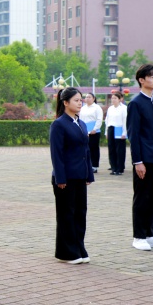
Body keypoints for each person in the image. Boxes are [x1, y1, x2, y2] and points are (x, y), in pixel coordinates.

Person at [126, 64, 153, 251]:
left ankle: (150, 235)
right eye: (151, 77)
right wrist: (138, 161)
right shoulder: (136, 104)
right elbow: (133, 135)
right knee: (142, 197)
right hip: (144, 158)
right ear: (141, 80)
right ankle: (139, 236)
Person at [49, 87, 94, 265]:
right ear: (65, 102)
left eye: (81, 100)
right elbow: (57, 154)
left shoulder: (81, 123)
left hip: (80, 176)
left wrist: (89, 174)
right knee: (66, 215)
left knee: (80, 214)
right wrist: (60, 178)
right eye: (76, 100)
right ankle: (67, 252)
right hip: (65, 178)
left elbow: (86, 151)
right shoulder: (59, 124)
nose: (80, 103)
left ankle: (79, 247)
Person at [104, 92, 127, 175]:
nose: (113, 100)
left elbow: (125, 121)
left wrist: (124, 132)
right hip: (111, 128)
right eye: (112, 98)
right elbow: (107, 120)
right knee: (111, 149)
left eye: (115, 98)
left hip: (119, 129)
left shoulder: (123, 108)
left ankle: (120, 168)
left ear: (120, 99)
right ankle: (113, 168)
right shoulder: (110, 108)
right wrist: (106, 132)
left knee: (119, 150)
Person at [79, 93, 103, 173]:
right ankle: (86, 165)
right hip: (85, 131)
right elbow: (80, 119)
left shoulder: (97, 108)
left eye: (89, 97)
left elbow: (99, 119)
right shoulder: (83, 108)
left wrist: (95, 129)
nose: (87, 98)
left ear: (93, 98)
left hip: (94, 132)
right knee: (85, 148)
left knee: (94, 149)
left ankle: (94, 166)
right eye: (86, 97)